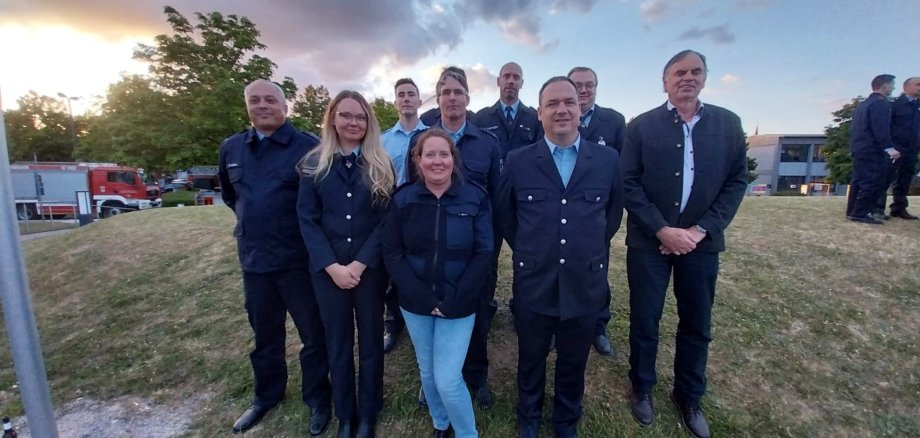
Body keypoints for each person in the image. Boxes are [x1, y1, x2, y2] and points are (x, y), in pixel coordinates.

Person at [622, 50, 748, 438]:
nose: (687, 78)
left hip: (701, 244)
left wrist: (699, 231)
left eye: (695, 72)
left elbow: (736, 181)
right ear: (665, 82)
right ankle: (642, 387)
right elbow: (628, 182)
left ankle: (689, 396)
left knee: (697, 323)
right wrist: (662, 230)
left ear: (705, 78)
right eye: (679, 73)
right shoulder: (641, 127)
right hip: (649, 243)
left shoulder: (728, 124)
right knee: (645, 319)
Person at [496, 76, 624, 438]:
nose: (562, 109)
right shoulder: (518, 161)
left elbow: (612, 215)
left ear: (580, 108)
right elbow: (506, 216)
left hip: (584, 281)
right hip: (535, 280)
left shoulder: (608, 160)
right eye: (552, 103)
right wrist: (532, 249)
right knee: (531, 356)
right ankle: (529, 417)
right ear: (540, 113)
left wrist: (585, 248)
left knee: (573, 360)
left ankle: (566, 420)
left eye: (569, 102)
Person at [218, 79, 332, 435]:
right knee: (265, 336)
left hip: (299, 262)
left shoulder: (309, 147)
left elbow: (321, 203)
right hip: (255, 262)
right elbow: (231, 196)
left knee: (314, 337)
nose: (262, 105)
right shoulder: (232, 148)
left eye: (270, 100)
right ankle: (266, 396)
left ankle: (318, 398)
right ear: (247, 106)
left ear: (285, 107)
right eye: (255, 100)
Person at [384, 129, 494, 438]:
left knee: (447, 379)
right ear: (417, 160)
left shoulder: (475, 197)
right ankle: (440, 423)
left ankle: (467, 433)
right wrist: (422, 298)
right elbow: (393, 252)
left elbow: (484, 252)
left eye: (443, 154)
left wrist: (455, 299)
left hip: (459, 303)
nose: (437, 161)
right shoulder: (403, 199)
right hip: (415, 303)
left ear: (453, 159)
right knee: (428, 372)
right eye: (429, 154)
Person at [297, 90, 395, 438]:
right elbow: (307, 220)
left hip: (368, 272)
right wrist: (333, 267)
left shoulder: (380, 165)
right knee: (337, 345)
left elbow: (385, 222)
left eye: (360, 116)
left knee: (370, 343)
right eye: (346, 115)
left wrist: (360, 264)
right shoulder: (314, 165)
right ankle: (345, 415)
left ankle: (367, 412)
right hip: (328, 274)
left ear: (369, 123)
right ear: (333, 119)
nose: (354, 122)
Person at [406, 67, 502, 411]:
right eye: (445, 92)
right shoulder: (421, 142)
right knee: (430, 314)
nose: (452, 97)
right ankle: (432, 379)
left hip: (475, 250)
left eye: (458, 92)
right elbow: (412, 196)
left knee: (477, 311)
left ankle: (476, 375)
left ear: (468, 98)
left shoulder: (488, 144)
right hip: (430, 250)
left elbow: (497, 198)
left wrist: (489, 250)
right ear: (438, 98)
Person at [566, 66, 627, 356]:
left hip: (596, 216)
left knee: (597, 275)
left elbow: (620, 178)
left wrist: (605, 226)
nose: (583, 90)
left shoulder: (613, 121)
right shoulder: (557, 116)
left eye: (589, 85)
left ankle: (598, 326)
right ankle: (557, 324)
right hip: (562, 212)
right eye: (577, 85)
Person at [380, 78, 427, 354]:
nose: (406, 98)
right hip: (392, 211)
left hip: (422, 212)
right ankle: (392, 321)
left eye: (411, 94)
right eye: (401, 95)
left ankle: (421, 313)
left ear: (420, 101)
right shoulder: (383, 141)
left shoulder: (431, 136)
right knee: (392, 267)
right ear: (395, 102)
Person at [846, 74, 900, 224]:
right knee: (872, 181)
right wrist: (889, 148)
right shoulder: (880, 103)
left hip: (859, 147)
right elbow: (880, 128)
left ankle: (853, 211)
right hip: (871, 149)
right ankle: (860, 213)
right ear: (885, 85)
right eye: (892, 84)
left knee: (858, 181)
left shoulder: (863, 104)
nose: (893, 87)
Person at [474, 62, 543, 160]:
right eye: (506, 76)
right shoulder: (482, 118)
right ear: (498, 81)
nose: (511, 81)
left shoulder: (534, 118)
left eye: (516, 77)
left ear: (521, 83)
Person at [883, 76, 920, 220]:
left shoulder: (917, 105)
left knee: (905, 178)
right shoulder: (895, 105)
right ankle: (877, 207)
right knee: (886, 177)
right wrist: (889, 147)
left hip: (912, 148)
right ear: (906, 87)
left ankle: (899, 208)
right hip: (896, 147)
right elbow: (886, 126)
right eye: (918, 84)